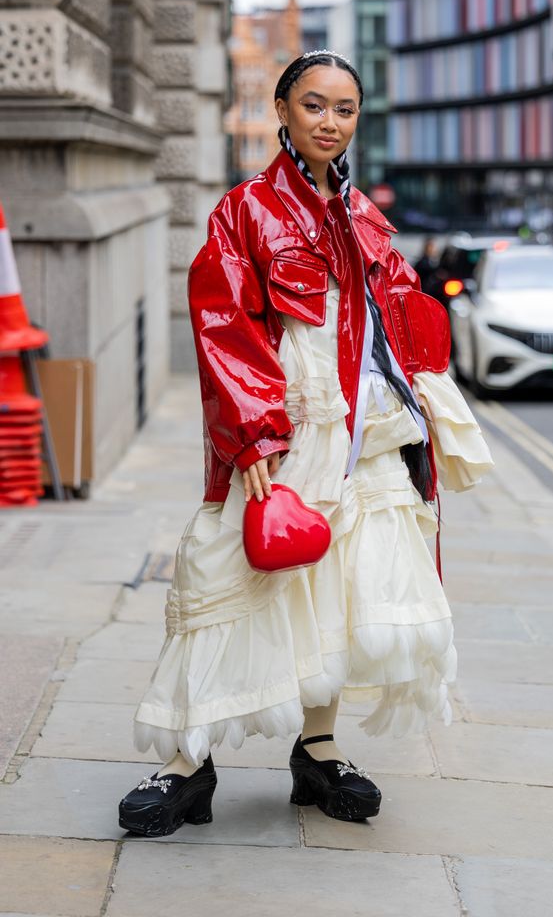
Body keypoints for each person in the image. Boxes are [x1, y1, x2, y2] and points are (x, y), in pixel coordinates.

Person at [118, 50, 493, 836]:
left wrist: (424, 410)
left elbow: (399, 328)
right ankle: (188, 765)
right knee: (225, 571)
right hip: (286, 427)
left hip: (371, 430)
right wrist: (254, 439)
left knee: (348, 581)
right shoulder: (246, 209)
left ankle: (317, 751)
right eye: (315, 105)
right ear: (282, 110)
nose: (330, 122)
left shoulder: (367, 217)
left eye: (345, 109)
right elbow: (222, 322)